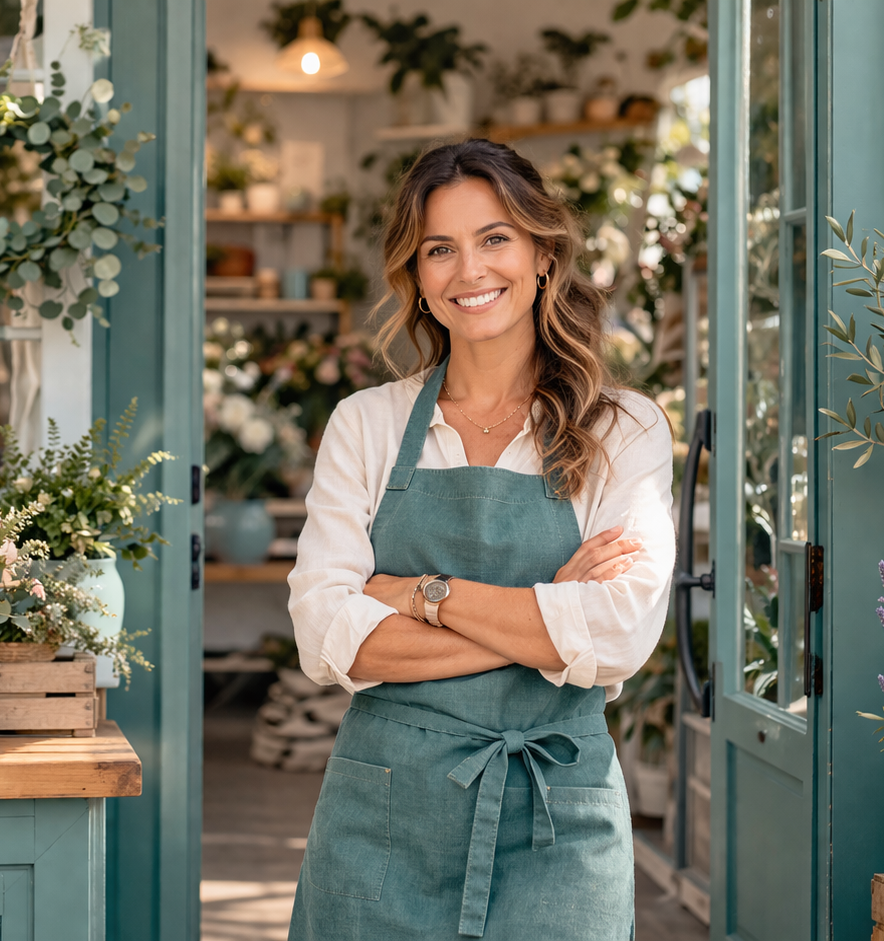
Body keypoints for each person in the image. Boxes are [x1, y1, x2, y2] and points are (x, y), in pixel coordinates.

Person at [286, 139, 675, 940]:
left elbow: (618, 634)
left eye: (494, 238)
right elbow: (326, 635)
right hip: (382, 819)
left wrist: (421, 596)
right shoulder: (367, 424)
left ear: (541, 254)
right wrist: (547, 617)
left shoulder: (625, 430)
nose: (470, 270)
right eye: (440, 249)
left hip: (559, 819)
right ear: (417, 277)